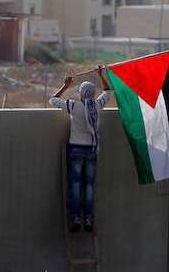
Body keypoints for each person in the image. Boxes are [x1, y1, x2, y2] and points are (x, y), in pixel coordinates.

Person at [50, 66, 111, 233]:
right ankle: (88, 219)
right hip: (91, 150)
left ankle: (76, 217)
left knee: (76, 185)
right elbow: (107, 92)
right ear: (92, 94)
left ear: (81, 93)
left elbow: (53, 100)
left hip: (76, 149)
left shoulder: (74, 106)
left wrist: (65, 86)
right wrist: (100, 76)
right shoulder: (97, 106)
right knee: (89, 186)